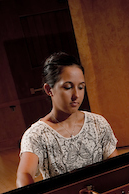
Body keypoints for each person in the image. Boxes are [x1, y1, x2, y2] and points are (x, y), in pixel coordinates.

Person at [16, 52, 118, 187]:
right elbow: (24, 175)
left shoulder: (98, 123)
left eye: (81, 87)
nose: (76, 95)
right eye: (68, 87)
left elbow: (117, 166)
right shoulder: (36, 135)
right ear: (49, 89)